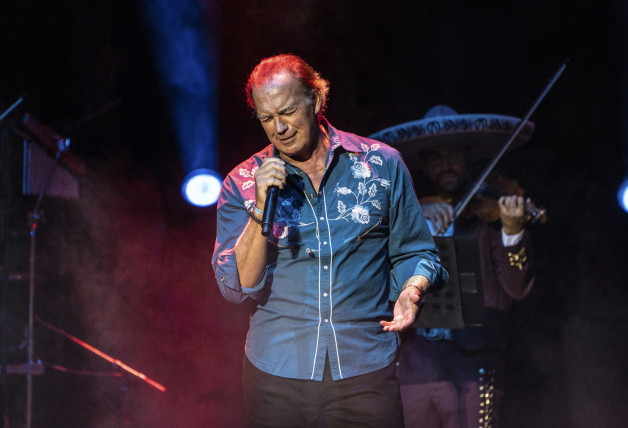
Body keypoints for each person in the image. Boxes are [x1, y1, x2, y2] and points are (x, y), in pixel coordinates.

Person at [211, 54, 448, 428]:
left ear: (316, 101)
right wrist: (260, 210)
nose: (279, 128)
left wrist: (412, 287)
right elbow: (237, 288)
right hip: (276, 373)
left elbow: (417, 251)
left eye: (287, 112)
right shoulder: (241, 182)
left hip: (365, 368)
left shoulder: (381, 164)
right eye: (266, 118)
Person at [370, 105, 537, 428]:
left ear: (468, 158)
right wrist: (413, 213)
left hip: (477, 362)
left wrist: (513, 231)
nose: (446, 165)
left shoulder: (489, 219)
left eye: (454, 156)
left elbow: (517, 286)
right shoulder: (408, 215)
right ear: (424, 165)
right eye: (436, 157)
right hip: (416, 361)